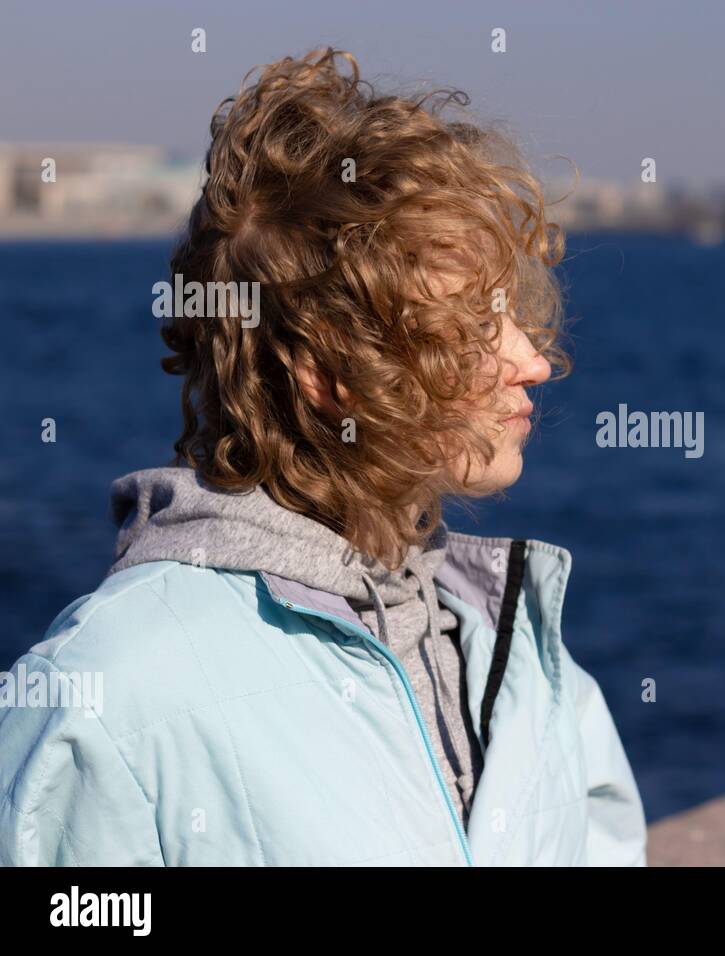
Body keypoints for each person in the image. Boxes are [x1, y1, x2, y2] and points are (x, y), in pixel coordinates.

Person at [0, 48, 646, 866]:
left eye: (512, 313)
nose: (534, 361)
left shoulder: (513, 650)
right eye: (474, 329)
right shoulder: (108, 695)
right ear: (330, 368)